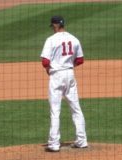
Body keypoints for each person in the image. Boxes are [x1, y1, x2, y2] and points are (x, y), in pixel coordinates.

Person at [40, 16, 88, 152]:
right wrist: (68, 65)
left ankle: (54, 144)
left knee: (55, 110)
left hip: (56, 76)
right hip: (70, 74)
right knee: (76, 108)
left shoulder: (51, 40)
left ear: (55, 26)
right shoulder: (74, 39)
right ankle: (82, 140)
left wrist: (50, 69)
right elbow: (80, 60)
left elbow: (45, 62)